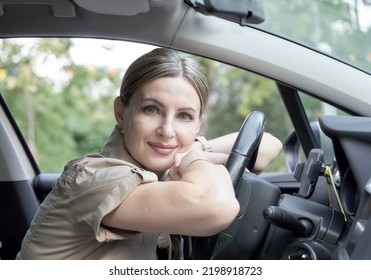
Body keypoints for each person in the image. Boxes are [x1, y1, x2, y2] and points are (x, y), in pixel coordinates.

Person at [16, 48, 282, 260]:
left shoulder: (165, 168)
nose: (167, 131)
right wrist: (192, 156)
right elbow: (217, 206)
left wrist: (197, 146)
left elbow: (268, 145)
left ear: (198, 123)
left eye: (184, 116)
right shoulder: (94, 179)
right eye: (151, 109)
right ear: (121, 112)